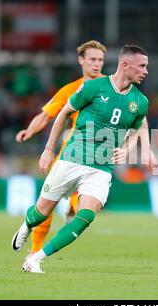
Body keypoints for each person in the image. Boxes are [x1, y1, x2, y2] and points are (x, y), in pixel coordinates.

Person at [11, 44, 154, 273]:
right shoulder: (92, 87)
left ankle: (37, 257)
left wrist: (128, 149)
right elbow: (62, 113)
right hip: (72, 158)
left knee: (86, 215)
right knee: (40, 214)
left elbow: (137, 127)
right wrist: (48, 149)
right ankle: (27, 225)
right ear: (125, 65)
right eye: (143, 66)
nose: (146, 71)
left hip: (101, 167)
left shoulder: (141, 101)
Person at [15, 40, 107, 257]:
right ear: (81, 61)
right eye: (92, 59)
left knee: (85, 206)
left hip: (99, 157)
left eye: (100, 60)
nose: (97, 64)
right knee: (45, 206)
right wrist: (30, 130)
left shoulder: (112, 86)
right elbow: (47, 115)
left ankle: (72, 208)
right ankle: (35, 251)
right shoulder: (71, 90)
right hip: (70, 154)